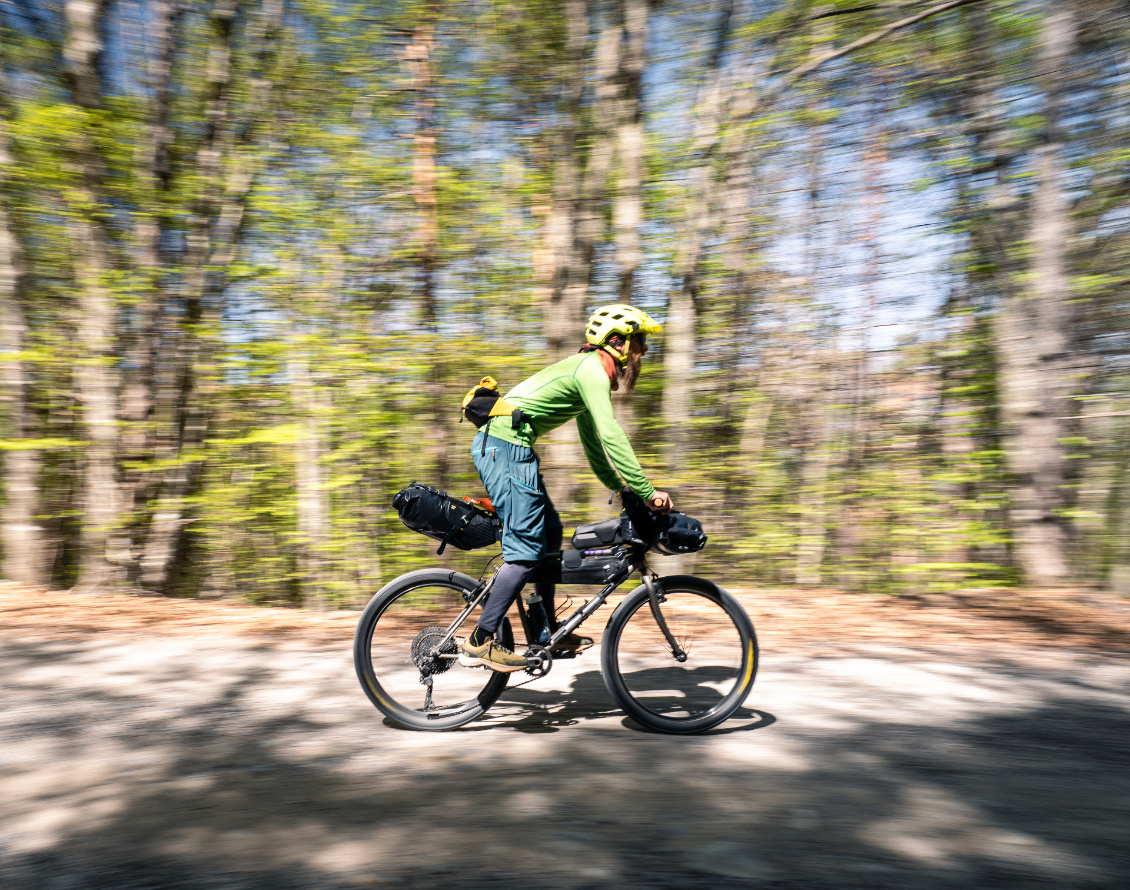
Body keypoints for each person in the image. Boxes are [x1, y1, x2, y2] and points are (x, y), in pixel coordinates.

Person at [459, 304, 673, 672]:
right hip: (503, 449)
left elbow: (593, 442)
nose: (644, 351)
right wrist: (645, 489)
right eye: (639, 342)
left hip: (511, 450)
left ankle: (545, 632)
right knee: (525, 550)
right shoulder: (591, 370)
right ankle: (481, 641)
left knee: (551, 533)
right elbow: (611, 433)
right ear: (617, 342)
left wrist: (619, 487)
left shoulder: (587, 372)